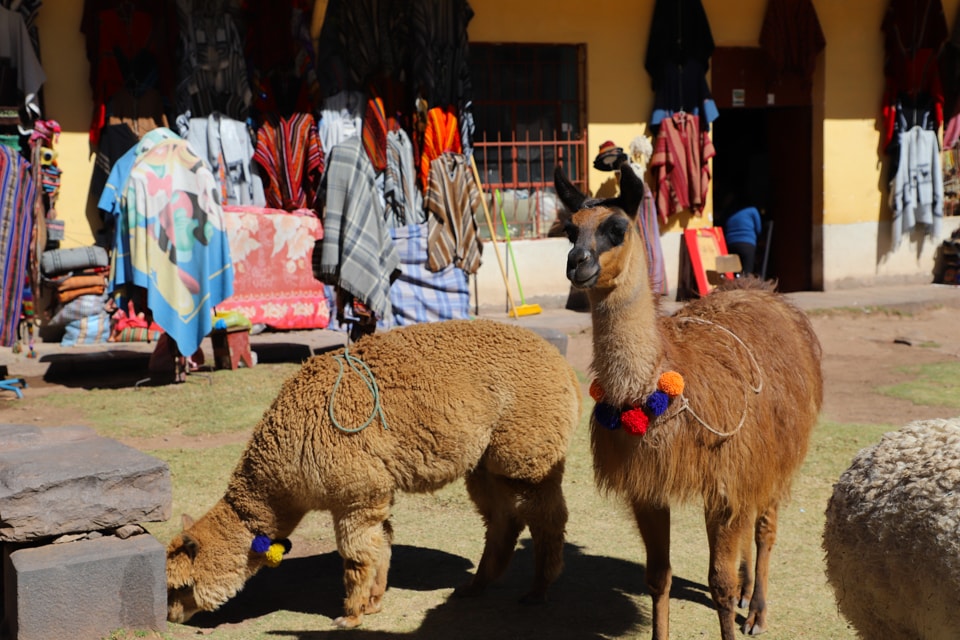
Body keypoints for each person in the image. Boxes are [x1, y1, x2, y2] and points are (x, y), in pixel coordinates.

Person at [721, 202, 763, 275]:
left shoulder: (729, 211)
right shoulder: (752, 210)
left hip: (730, 244)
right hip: (747, 244)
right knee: (747, 273)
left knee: (731, 273)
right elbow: (758, 229)